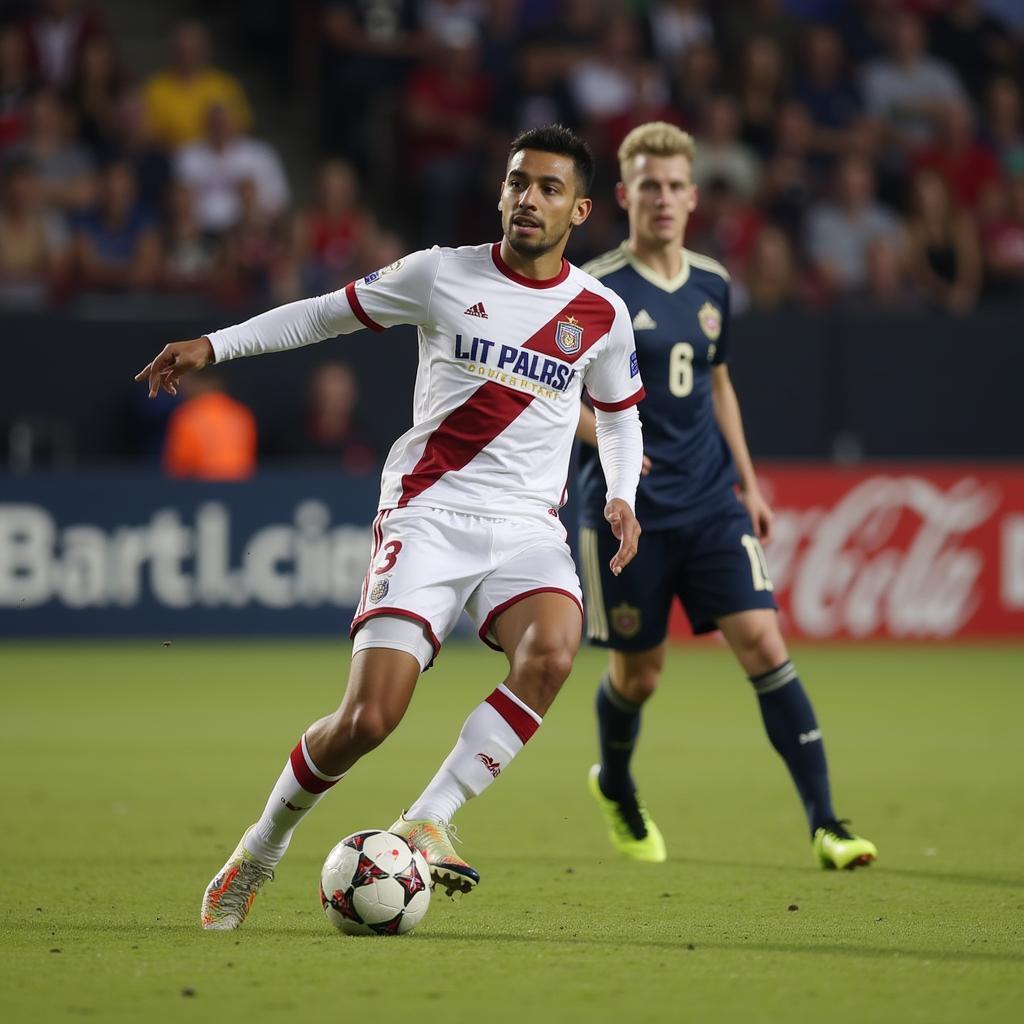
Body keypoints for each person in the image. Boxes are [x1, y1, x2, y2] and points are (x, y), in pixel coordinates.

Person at [134, 124, 645, 930]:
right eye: (518, 182)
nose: (528, 199)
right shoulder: (441, 273)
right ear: (502, 191)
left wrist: (620, 492)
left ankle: (428, 817)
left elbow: (618, 416)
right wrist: (214, 345)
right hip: (430, 513)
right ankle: (261, 848)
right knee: (369, 720)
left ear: (579, 208)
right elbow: (320, 316)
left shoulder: (603, 313)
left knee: (551, 652)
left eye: (549, 188)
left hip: (526, 528)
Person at [575, 121, 876, 871]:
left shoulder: (713, 281)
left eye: (677, 185)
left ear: (694, 194)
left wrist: (748, 477)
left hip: (711, 500)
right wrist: (613, 446)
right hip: (628, 512)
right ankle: (614, 782)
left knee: (766, 645)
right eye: (650, 185)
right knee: (639, 676)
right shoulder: (594, 287)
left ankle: (827, 824)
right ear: (624, 194)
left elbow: (718, 381)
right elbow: (556, 390)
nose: (665, 198)